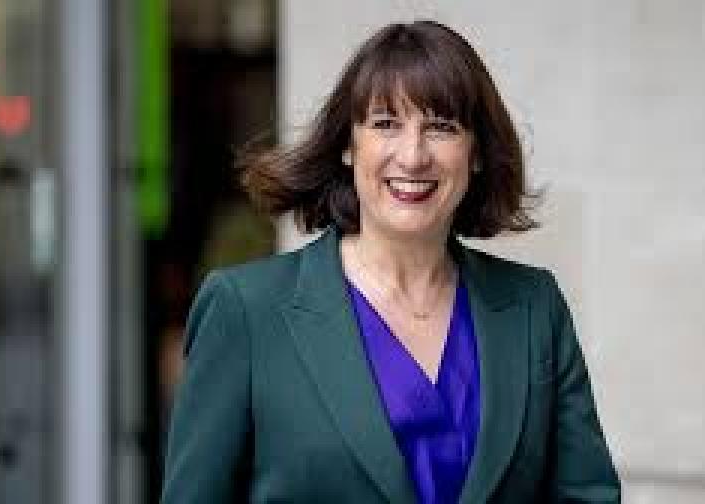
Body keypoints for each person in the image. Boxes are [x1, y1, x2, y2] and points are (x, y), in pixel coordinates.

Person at [161, 20, 620, 503]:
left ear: (477, 153)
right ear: (347, 145)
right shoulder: (246, 312)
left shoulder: (534, 308)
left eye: (441, 127)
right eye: (386, 124)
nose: (413, 155)